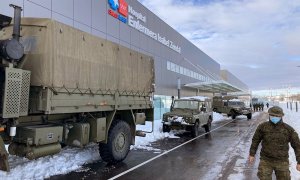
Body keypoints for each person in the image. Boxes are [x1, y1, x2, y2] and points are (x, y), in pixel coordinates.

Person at [248, 106, 300, 179]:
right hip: (265, 160)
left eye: (277, 116)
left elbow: (297, 146)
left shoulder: (288, 129)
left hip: (282, 161)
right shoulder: (262, 127)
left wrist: (299, 161)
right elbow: (255, 140)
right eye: (272, 115)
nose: (274, 117)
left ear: (281, 116)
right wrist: (252, 154)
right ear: (269, 115)